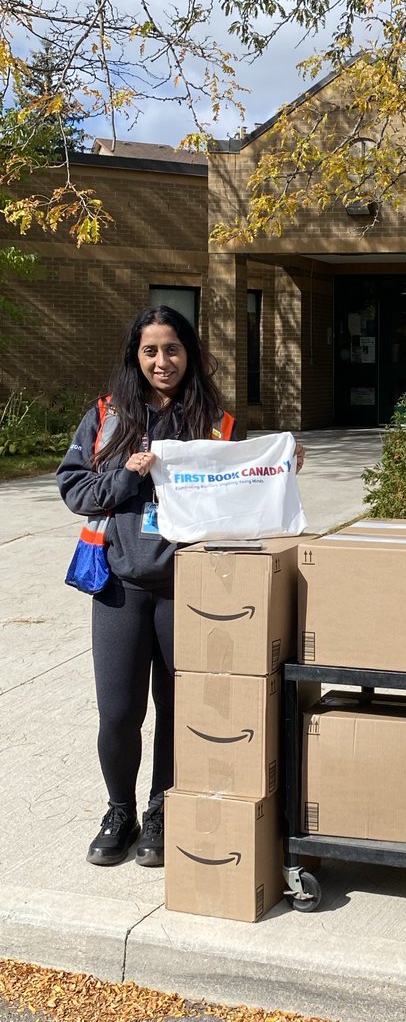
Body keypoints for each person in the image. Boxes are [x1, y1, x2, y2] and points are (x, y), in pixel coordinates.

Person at [58, 305, 236, 868]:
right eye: (150, 350)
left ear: (190, 353)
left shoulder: (217, 422)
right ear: (136, 356)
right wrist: (126, 474)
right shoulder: (107, 417)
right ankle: (120, 811)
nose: (163, 361)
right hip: (120, 586)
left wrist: (281, 467)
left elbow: (242, 498)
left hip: (188, 589)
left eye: (173, 349)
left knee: (177, 708)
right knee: (118, 712)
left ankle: (161, 810)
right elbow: (75, 491)